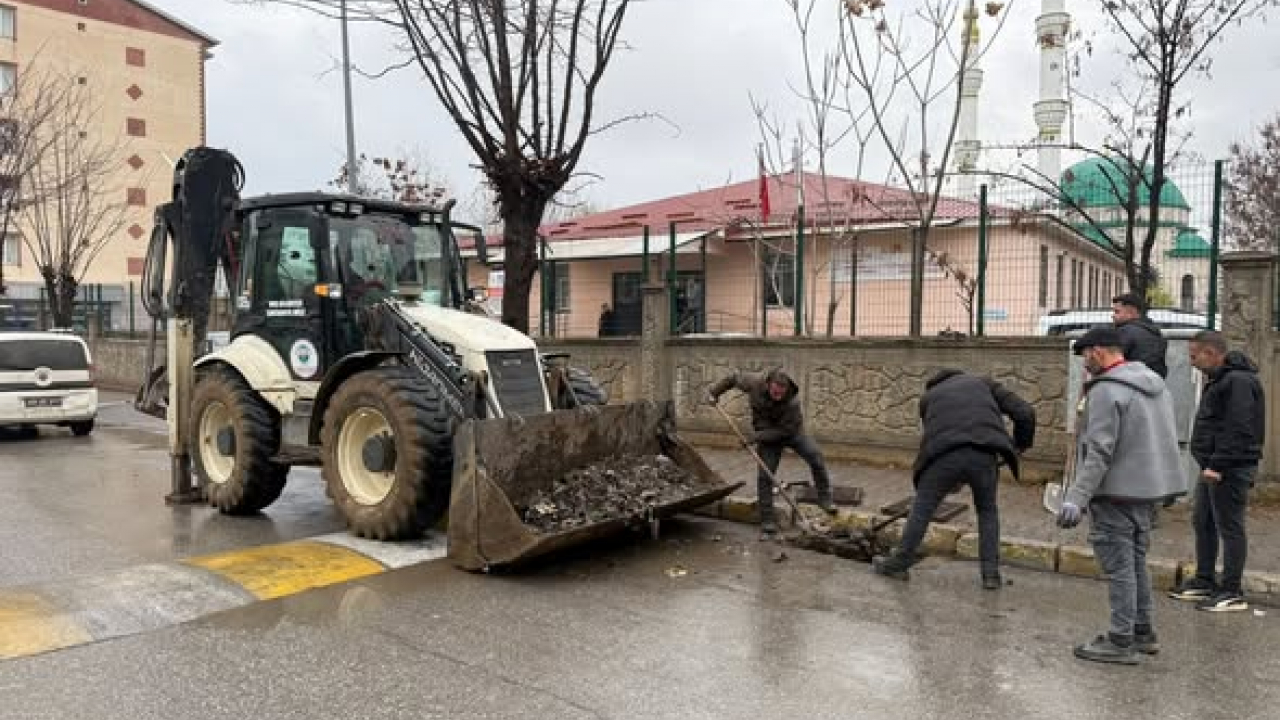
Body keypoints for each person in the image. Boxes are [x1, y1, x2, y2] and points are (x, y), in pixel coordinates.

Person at [1056, 327, 1184, 665]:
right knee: (1136, 563)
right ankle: (1143, 632)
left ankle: (1120, 638)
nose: (1084, 364)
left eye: (1085, 355)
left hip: (1114, 494)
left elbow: (1099, 450)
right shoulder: (1154, 386)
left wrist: (1076, 497)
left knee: (1119, 569)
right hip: (1148, 492)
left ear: (1098, 351)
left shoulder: (1107, 391)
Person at [872, 369, 1036, 590]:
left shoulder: (928, 398)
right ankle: (990, 574)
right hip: (984, 453)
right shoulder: (984, 382)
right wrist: (1020, 446)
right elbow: (1025, 412)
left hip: (943, 456)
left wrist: (948, 479)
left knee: (923, 507)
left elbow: (936, 437)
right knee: (987, 511)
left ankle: (899, 563)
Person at [1168, 331, 1265, 612]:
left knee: (1229, 527)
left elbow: (1239, 426)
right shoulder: (1222, 379)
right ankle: (1205, 579)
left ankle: (1232, 590)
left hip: (1228, 468)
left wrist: (1218, 465)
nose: (1192, 360)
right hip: (1213, 466)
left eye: (1194, 355)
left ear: (1211, 353)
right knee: (1204, 522)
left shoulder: (1238, 381)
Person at [705, 368, 835, 538]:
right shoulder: (754, 382)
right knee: (765, 476)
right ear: (768, 385)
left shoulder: (792, 403)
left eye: (781, 393)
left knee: (815, 457)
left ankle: (825, 498)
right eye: (775, 392)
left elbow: (784, 432)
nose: (778, 396)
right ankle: (767, 521)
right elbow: (732, 379)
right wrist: (714, 393)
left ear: (786, 390)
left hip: (791, 433)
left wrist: (755, 437)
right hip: (766, 434)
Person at [1112, 293, 1168, 378]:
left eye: (1117, 311)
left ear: (1132, 312)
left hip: (1129, 384)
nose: (1113, 316)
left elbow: (1112, 363)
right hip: (1154, 385)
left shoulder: (1125, 331)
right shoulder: (1156, 333)